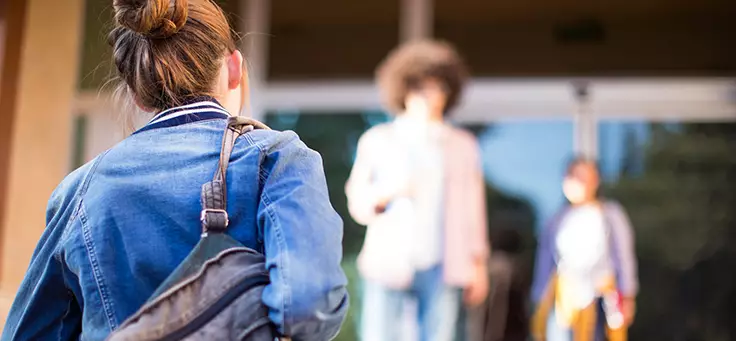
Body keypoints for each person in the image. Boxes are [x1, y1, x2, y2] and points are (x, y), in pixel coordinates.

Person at [1, 0, 348, 340]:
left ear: (137, 94)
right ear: (234, 69)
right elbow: (307, 305)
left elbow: (29, 331)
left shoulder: (78, 189)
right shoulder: (277, 158)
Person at [345, 40, 490, 341]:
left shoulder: (462, 145)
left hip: (444, 263)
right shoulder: (378, 139)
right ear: (403, 90)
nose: (428, 97)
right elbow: (357, 203)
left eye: (437, 89)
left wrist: (478, 264)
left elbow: (473, 209)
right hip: (388, 262)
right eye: (420, 88)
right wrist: (387, 192)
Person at [531, 157, 638, 341]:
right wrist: (539, 299)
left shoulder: (610, 214)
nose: (576, 181)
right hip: (565, 299)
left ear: (595, 179)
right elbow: (545, 262)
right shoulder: (557, 220)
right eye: (571, 175)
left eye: (582, 176)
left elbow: (623, 257)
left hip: (600, 297)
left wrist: (627, 293)